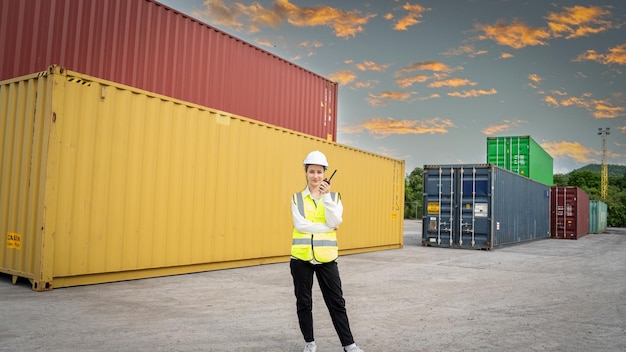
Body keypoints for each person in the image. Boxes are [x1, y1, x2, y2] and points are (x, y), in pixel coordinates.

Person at [290, 150, 364, 352]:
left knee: (337, 302)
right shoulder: (296, 198)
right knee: (304, 302)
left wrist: (326, 198)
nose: (315, 176)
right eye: (311, 171)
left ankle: (350, 345)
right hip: (301, 258)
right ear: (306, 172)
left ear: (325, 174)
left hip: (327, 258)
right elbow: (301, 225)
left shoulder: (334, 197)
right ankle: (310, 343)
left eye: (319, 172)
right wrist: (327, 227)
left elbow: (336, 220)